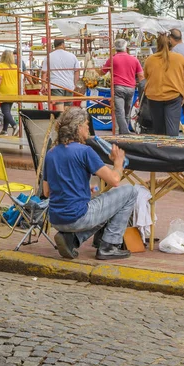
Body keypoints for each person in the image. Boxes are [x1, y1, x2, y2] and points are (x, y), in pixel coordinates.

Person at [43, 108, 138, 261]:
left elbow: (46, 192)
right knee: (130, 191)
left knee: (104, 202)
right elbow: (114, 180)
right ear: (78, 127)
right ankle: (110, 245)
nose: (88, 128)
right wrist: (118, 162)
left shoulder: (51, 153)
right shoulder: (85, 151)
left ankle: (72, 239)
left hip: (56, 218)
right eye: (87, 124)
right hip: (77, 217)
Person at [144, 34, 184, 136]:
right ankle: (172, 149)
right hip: (174, 95)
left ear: (157, 44)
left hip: (154, 96)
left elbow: (146, 76)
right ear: (171, 45)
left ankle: (159, 150)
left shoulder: (150, 59)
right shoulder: (179, 58)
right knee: (172, 129)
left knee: (158, 129)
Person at [101, 39, 144, 135]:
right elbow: (141, 76)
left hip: (118, 87)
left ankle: (124, 132)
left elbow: (102, 72)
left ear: (115, 48)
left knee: (119, 111)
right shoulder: (134, 59)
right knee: (127, 111)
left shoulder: (112, 59)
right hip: (131, 88)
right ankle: (123, 132)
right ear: (126, 48)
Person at [41, 38, 80, 111]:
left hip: (56, 85)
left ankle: (61, 122)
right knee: (67, 110)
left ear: (54, 45)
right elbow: (77, 71)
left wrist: (43, 86)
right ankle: (66, 122)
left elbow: (44, 72)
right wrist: (75, 84)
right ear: (63, 44)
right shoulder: (72, 56)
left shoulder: (49, 56)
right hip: (69, 85)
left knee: (60, 110)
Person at [0, 49, 19, 136]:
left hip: (5, 90)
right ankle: (4, 130)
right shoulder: (15, 67)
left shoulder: (1, 65)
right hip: (14, 90)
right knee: (7, 111)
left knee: (5, 111)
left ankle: (14, 125)